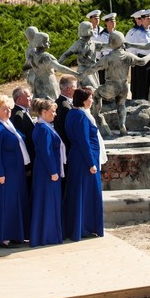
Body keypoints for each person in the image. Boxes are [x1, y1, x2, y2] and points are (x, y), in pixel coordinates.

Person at [0, 94, 31, 248]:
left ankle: (16, 234)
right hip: (5, 172)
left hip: (15, 171)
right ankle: (3, 236)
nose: (8, 111)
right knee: (5, 203)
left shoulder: (7, 124)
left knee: (15, 203)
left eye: (9, 108)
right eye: (4, 109)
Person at [63, 87, 104, 241]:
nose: (92, 100)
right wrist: (91, 162)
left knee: (84, 192)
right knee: (83, 193)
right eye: (90, 98)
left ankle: (86, 226)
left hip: (82, 158)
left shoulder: (74, 113)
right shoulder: (79, 115)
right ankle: (83, 227)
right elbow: (83, 141)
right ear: (83, 100)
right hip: (83, 160)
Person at [30, 98, 63, 247]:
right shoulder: (43, 128)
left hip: (46, 170)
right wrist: (53, 171)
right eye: (52, 111)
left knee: (49, 202)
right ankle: (47, 236)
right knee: (47, 202)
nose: (55, 114)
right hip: (46, 172)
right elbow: (46, 152)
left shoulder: (45, 126)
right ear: (43, 112)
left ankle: (49, 234)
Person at [125, 9, 150, 100]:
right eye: (147, 18)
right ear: (142, 20)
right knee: (140, 85)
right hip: (140, 60)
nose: (149, 20)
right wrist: (135, 60)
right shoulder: (136, 32)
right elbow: (130, 48)